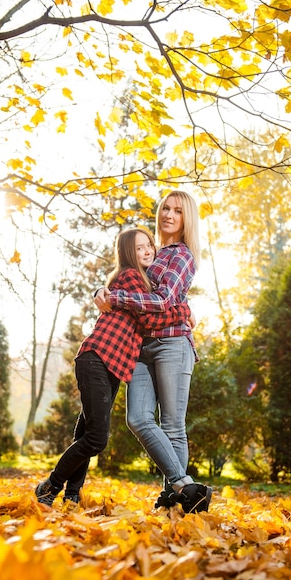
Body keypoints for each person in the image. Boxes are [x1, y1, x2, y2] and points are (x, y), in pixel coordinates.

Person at [35, 227, 191, 507]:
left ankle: (71, 496)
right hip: (97, 359)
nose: (147, 251)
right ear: (128, 253)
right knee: (95, 439)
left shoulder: (137, 280)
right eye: (140, 247)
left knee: (85, 433)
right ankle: (50, 486)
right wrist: (185, 312)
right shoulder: (131, 277)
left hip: (112, 366)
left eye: (149, 246)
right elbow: (151, 319)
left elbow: (155, 305)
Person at [94, 191, 212, 514]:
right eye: (165, 209)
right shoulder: (154, 253)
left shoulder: (182, 255)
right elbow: (125, 276)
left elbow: (161, 301)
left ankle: (176, 500)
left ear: (187, 218)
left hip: (173, 344)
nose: (169, 215)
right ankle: (186, 488)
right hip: (142, 346)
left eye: (177, 211)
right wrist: (101, 291)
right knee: (138, 418)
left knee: (173, 426)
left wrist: (116, 299)